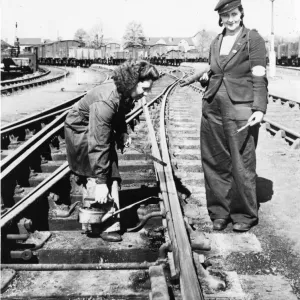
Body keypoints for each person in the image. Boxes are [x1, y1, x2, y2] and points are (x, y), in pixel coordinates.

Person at [181, 0, 268, 232]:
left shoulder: (253, 39)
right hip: (212, 107)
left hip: (240, 108)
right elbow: (217, 71)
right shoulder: (216, 41)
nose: (230, 19)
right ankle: (219, 211)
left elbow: (259, 76)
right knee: (214, 160)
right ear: (220, 18)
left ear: (241, 13)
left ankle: (243, 214)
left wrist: (259, 108)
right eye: (225, 16)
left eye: (234, 14)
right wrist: (206, 78)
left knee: (241, 161)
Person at [64, 60, 160, 241]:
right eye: (144, 89)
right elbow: (98, 144)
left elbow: (119, 113)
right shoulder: (106, 100)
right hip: (81, 130)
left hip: (94, 128)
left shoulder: (123, 91)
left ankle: (106, 220)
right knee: (99, 170)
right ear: (132, 83)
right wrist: (101, 182)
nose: (146, 95)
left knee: (109, 166)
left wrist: (122, 132)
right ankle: (99, 223)